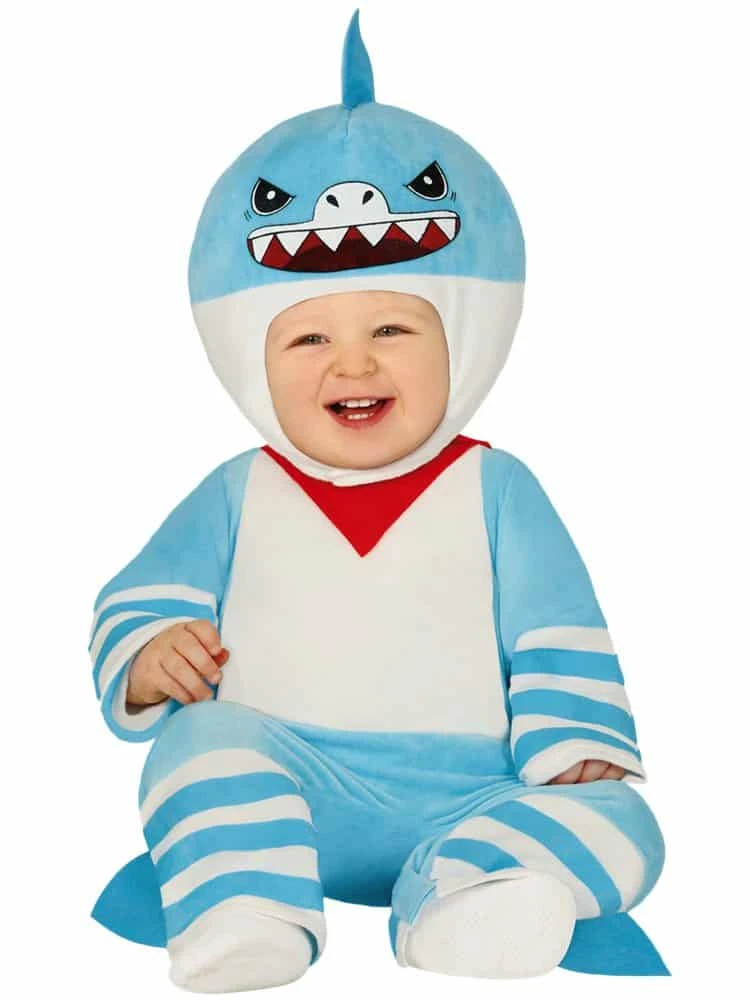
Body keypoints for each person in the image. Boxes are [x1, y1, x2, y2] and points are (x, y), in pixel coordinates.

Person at [89, 11, 664, 992]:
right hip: (288, 788)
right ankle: (251, 909)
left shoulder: (497, 488)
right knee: (198, 740)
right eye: (308, 339)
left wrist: (576, 746)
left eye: (394, 330)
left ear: (467, 338)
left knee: (626, 825)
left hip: (478, 793)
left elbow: (559, 628)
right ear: (248, 357)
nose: (353, 366)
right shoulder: (237, 491)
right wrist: (151, 655)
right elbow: (141, 596)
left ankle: (460, 899)